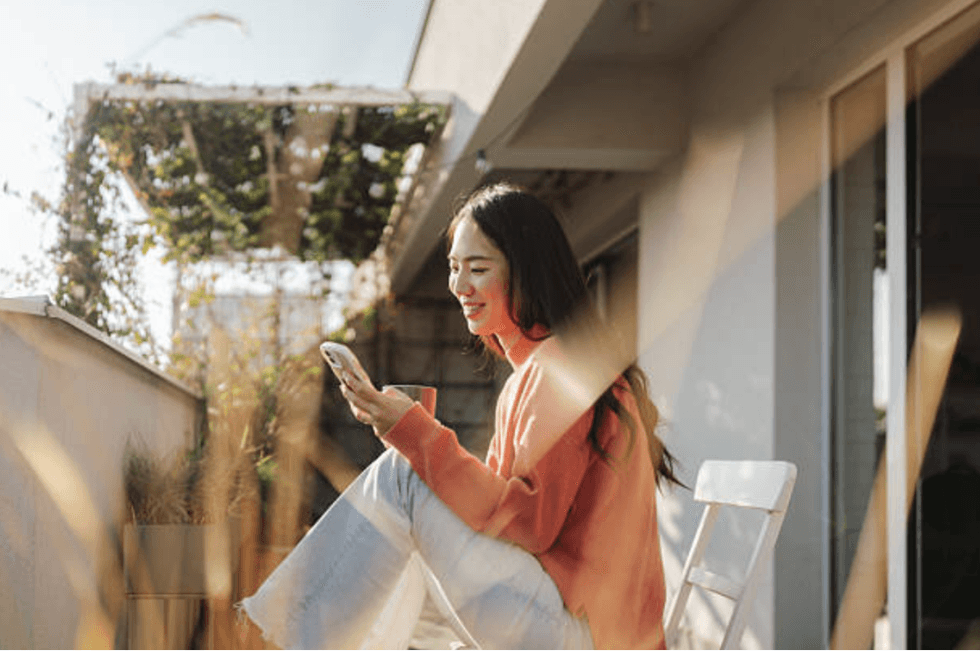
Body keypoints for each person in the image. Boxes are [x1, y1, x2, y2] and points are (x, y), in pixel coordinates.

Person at [240, 182, 681, 649]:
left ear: (525, 273)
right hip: (580, 621)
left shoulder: (560, 370)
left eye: (478, 268)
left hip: (587, 635)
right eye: (454, 267)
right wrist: (410, 434)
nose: (459, 285)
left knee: (402, 477)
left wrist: (415, 435)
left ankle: (283, 639)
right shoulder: (547, 368)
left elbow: (529, 524)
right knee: (409, 486)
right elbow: (506, 511)